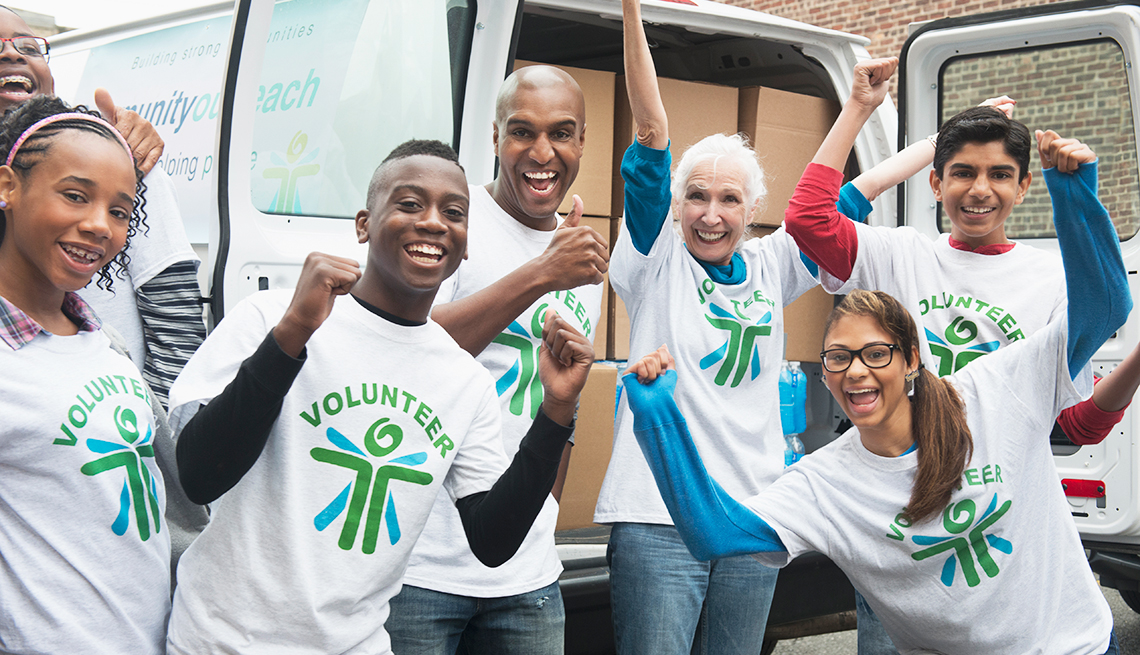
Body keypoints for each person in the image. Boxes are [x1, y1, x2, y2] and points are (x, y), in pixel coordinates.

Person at [621, 204, 1129, 650]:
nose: (856, 372)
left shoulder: (990, 391)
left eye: (876, 354)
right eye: (839, 358)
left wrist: (1073, 193)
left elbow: (1106, 306)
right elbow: (717, 533)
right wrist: (658, 417)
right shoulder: (826, 481)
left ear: (912, 359)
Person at [164, 139, 595, 654]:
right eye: (410, 204)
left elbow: (492, 541)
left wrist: (556, 412)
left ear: (465, 241)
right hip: (225, 642)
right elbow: (198, 475)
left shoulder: (463, 378)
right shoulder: (272, 317)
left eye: (454, 213)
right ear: (364, 224)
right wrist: (293, 333)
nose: (434, 222)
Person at [784, 57, 1134, 653]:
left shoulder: (1049, 278)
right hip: (896, 526)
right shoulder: (897, 255)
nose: (980, 189)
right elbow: (808, 218)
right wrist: (859, 109)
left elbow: (1072, 420)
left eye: (1000, 174)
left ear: (1025, 186)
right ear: (935, 182)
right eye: (962, 172)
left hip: (1004, 517)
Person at [590, 2, 820, 653]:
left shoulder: (771, 264)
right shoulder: (651, 256)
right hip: (656, 517)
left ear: (753, 208)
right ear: (674, 201)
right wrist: (632, 10)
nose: (711, 211)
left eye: (728, 198)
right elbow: (652, 125)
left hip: (753, 514)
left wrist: (931, 150)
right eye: (695, 193)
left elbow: (838, 200)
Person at [386, 65, 607, 655]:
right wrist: (540, 275)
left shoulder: (583, 257)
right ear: (494, 138)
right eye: (522, 132)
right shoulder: (453, 225)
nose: (542, 153)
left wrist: (547, 514)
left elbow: (563, 402)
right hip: (423, 569)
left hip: (528, 577)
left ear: (583, 141)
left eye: (562, 133)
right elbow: (408, 349)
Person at [0, 96, 172, 653]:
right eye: (75, 196)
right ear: (8, 188)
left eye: (121, 211)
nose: (99, 225)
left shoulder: (102, 341)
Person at [0, 6, 205, 408]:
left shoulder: (122, 163)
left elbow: (176, 320)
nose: (12, 55)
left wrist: (148, 435)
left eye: (29, 46)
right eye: (74, 197)